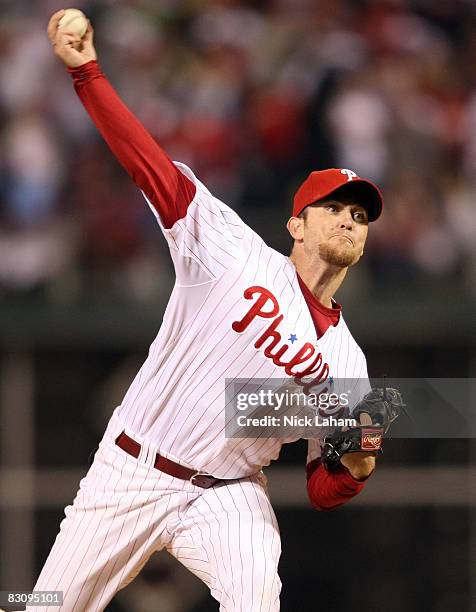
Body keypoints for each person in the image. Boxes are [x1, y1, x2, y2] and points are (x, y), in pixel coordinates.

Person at [33, 10, 384, 611]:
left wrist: (356, 461)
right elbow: (151, 168)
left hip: (228, 492)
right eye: (334, 207)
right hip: (134, 468)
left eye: (359, 215)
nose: (349, 219)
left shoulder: (348, 364)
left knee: (257, 599)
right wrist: (87, 74)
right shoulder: (232, 250)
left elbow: (325, 488)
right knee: (43, 604)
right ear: (296, 224)